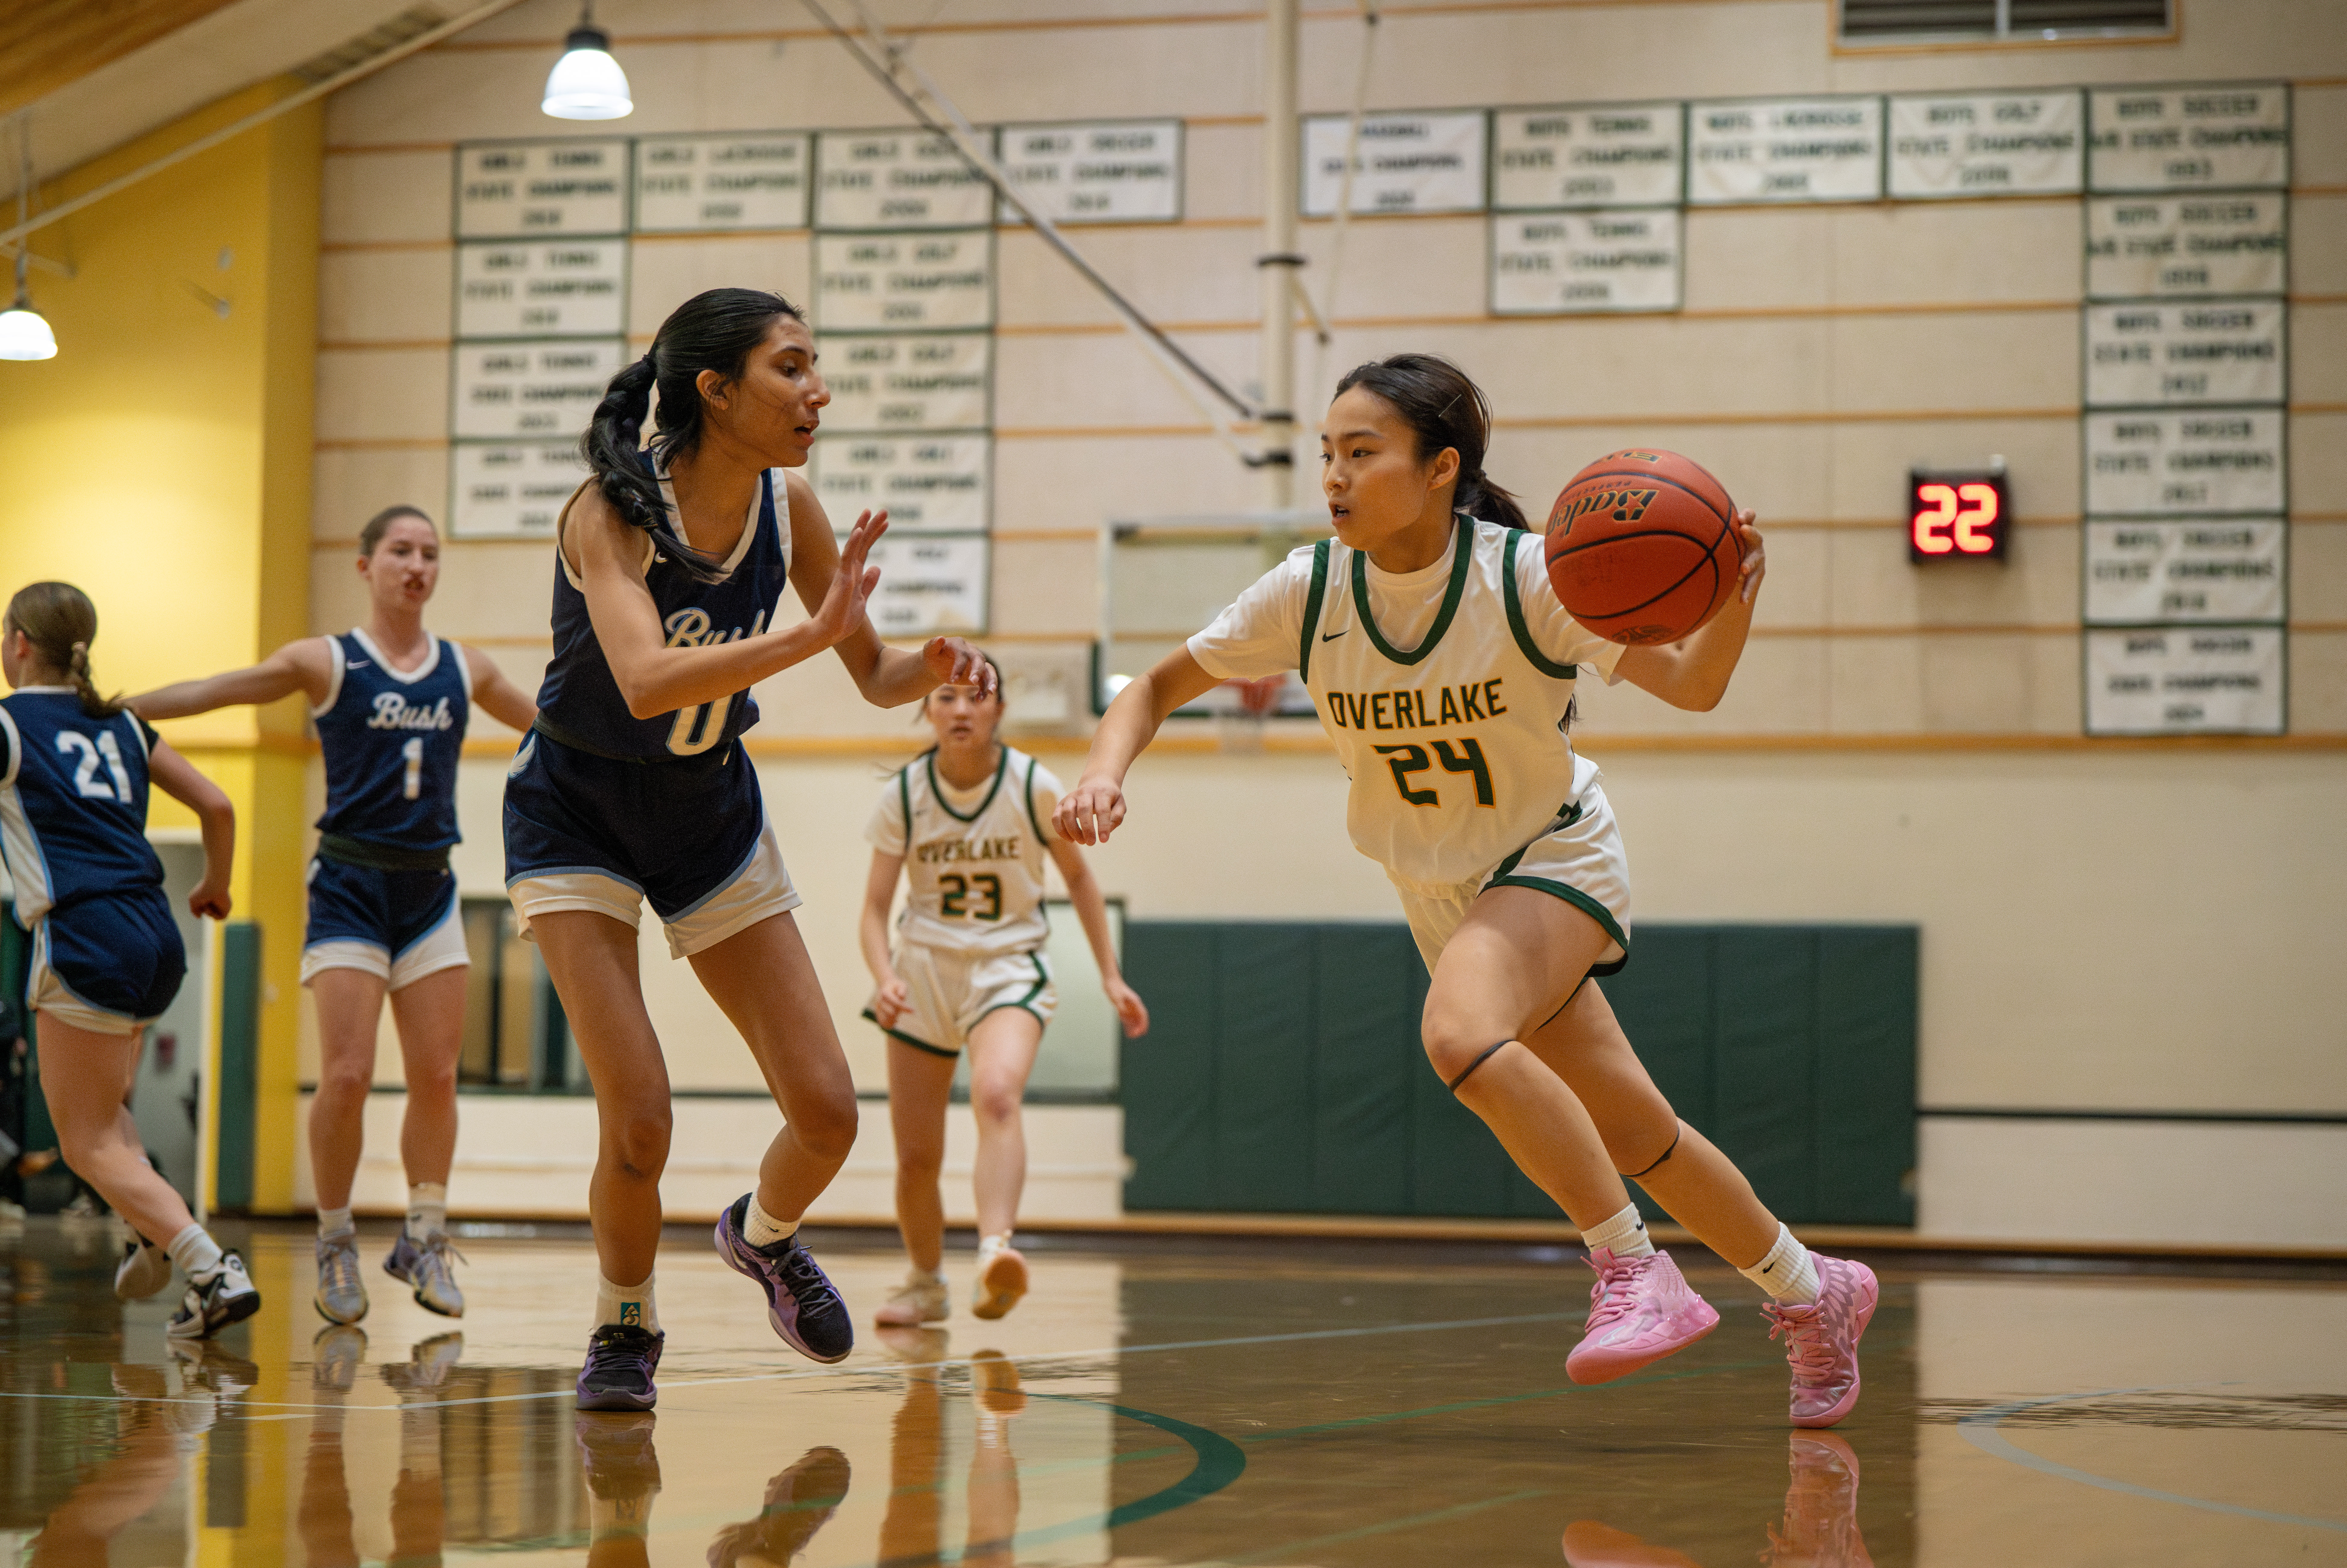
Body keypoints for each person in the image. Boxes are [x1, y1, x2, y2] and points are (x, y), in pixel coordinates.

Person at [1055, 354, 1878, 1429]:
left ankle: (1632, 1270)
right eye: (1328, 455)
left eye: (1362, 453)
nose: (1336, 477)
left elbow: (1692, 681)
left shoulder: (1530, 576)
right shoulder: (1309, 590)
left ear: (1441, 467)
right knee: (1639, 1130)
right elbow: (1158, 684)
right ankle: (1813, 1290)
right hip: (1438, 888)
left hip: (1553, 855)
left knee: (1457, 1034)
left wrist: (1732, 596)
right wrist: (1102, 772)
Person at [504, 286, 994, 1412]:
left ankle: (760, 1234)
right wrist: (801, 639)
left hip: (709, 811)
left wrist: (931, 661)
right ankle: (624, 1324)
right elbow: (641, 677)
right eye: (791, 367)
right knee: (638, 1114)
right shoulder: (610, 510)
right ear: (715, 390)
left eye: (816, 365)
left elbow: (868, 674)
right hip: (575, 811)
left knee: (827, 1108)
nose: (816, 389)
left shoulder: (792, 506)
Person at [131, 506, 538, 1325]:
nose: (417, 566)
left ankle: (423, 1235)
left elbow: (555, 737)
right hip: (351, 884)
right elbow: (222, 688)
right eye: (400, 551)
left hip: (430, 889)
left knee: (436, 1073)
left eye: (429, 554)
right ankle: (334, 1240)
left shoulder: (466, 668)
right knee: (347, 1074)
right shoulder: (328, 661)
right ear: (365, 565)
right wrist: (115, 708)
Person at [0, 582, 256, 1338]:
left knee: (83, 1143)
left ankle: (211, 1269)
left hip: (82, 932)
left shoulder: (10, 726)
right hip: (155, 931)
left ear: (18, 642)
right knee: (108, 1117)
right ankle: (149, 1234)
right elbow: (218, 805)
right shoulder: (122, 723)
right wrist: (214, 883)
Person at [859, 659, 1148, 1326]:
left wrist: (1109, 973)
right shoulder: (904, 794)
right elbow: (874, 910)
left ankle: (996, 1254)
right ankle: (926, 1283)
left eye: (976, 696)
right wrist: (886, 978)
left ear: (998, 710)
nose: (961, 708)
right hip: (925, 968)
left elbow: (1078, 879)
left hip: (1008, 965)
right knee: (915, 1158)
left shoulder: (1031, 785)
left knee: (996, 1095)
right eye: (947, 696)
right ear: (928, 710)